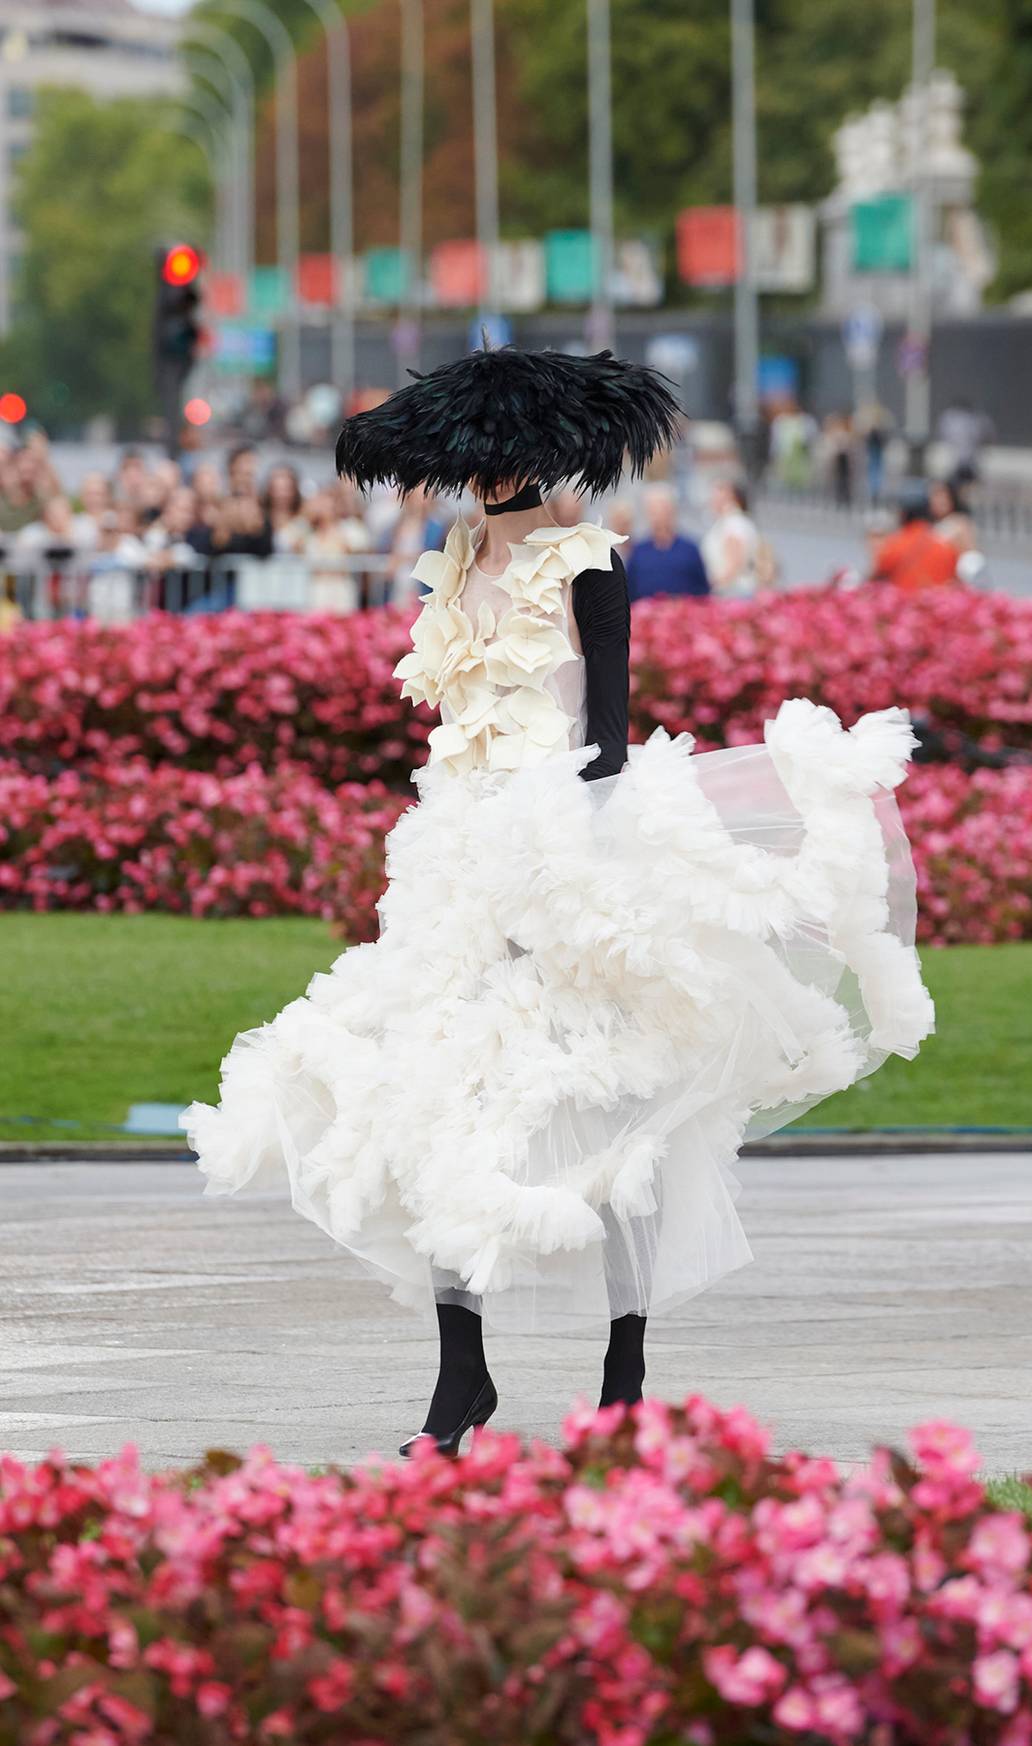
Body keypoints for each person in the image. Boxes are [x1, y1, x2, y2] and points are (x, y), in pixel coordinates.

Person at [182, 345, 933, 1456]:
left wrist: (562, 854)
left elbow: (610, 737)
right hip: (455, 862)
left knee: (612, 1107)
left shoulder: (588, 565)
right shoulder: (450, 565)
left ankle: (624, 1372)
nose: (484, 482)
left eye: (499, 462)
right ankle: (460, 1380)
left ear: (533, 458)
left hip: (572, 861)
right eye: (467, 466)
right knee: (433, 1093)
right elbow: (450, 720)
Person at [626, 483, 710, 601]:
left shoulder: (689, 549)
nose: (657, 515)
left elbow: (703, 591)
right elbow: (630, 591)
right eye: (652, 510)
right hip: (646, 616)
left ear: (673, 511)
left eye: (662, 508)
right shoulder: (638, 551)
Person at [869, 489, 960, 592]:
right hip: (939, 605)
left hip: (902, 605)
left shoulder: (894, 544)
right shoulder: (945, 546)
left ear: (903, 515)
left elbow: (876, 576)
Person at [700, 478, 760, 598]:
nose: (712, 498)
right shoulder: (731, 522)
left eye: (719, 492)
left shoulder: (733, 524)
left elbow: (734, 565)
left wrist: (708, 587)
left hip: (733, 593)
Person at [937, 399, 993, 488]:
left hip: (971, 462)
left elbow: (987, 436)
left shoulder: (977, 418)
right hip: (957, 462)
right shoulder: (951, 417)